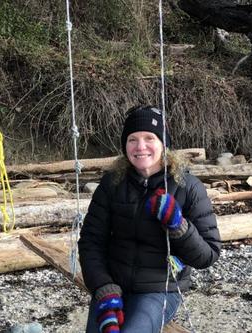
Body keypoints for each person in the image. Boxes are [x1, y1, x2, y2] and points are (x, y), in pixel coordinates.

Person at [78, 105, 221, 333]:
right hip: (114, 285)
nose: (140, 147)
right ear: (125, 145)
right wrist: (103, 287)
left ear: (163, 144)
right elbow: (90, 242)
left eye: (149, 138)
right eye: (132, 139)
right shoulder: (112, 183)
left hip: (160, 289)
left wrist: (178, 225)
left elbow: (208, 256)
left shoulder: (188, 187)